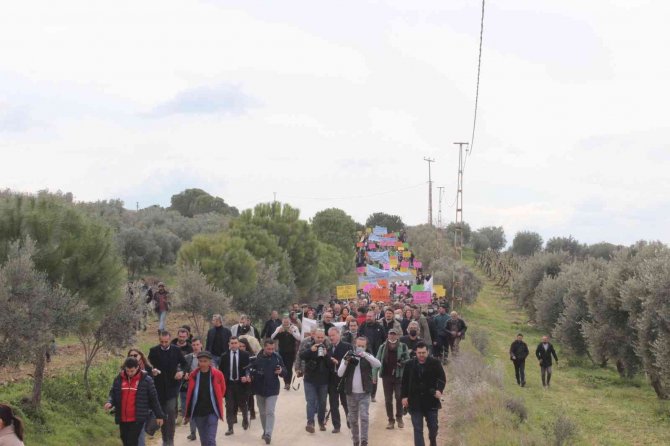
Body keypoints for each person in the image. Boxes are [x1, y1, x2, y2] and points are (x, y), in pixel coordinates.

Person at [105, 357, 166, 446]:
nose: (129, 373)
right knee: (125, 440)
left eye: (132, 371)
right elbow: (113, 392)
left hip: (137, 418)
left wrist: (159, 415)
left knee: (131, 441)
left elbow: (154, 399)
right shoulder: (119, 378)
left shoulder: (146, 380)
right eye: (127, 370)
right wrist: (110, 402)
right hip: (122, 418)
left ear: (138, 368)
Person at [337, 336, 382, 446]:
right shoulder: (348, 354)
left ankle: (364, 441)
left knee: (364, 417)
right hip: (351, 393)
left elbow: (378, 364)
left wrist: (365, 355)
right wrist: (346, 362)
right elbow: (339, 373)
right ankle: (355, 440)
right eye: (358, 346)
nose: (360, 348)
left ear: (366, 347)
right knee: (353, 419)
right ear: (354, 345)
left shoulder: (368, 356)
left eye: (363, 346)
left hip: (364, 393)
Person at [401, 342, 446, 446]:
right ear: (415, 352)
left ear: (428, 352)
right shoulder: (409, 364)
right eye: (419, 353)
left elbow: (442, 379)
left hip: (431, 400)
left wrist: (439, 390)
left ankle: (433, 442)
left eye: (423, 353)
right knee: (417, 429)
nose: (421, 355)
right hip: (415, 401)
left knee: (433, 428)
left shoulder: (435, 363)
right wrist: (404, 397)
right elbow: (404, 382)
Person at [148, 331, 188, 446]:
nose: (164, 344)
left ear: (170, 340)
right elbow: (148, 365)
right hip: (158, 387)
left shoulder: (176, 350)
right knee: (160, 413)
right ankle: (159, 434)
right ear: (159, 340)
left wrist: (181, 372)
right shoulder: (153, 351)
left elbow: (185, 364)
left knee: (170, 412)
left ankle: (169, 440)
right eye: (161, 342)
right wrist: (153, 371)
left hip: (172, 387)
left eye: (166, 342)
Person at [184, 351, 226, 446]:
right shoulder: (193, 375)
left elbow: (222, 389)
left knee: (211, 440)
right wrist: (188, 413)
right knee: (204, 441)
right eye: (200, 361)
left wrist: (217, 399)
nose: (202, 363)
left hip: (212, 411)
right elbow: (190, 395)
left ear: (210, 362)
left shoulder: (217, 374)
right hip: (199, 412)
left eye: (205, 361)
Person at [249, 339, 287, 444]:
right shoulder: (256, 358)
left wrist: (281, 371)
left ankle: (268, 434)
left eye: (273, 349)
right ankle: (265, 430)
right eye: (269, 349)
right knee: (262, 413)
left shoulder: (277, 357)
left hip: (272, 389)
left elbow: (285, 371)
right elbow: (250, 371)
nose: (271, 351)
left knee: (270, 411)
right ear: (264, 347)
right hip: (259, 389)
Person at [373, 328, 410, 429]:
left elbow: (408, 360)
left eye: (394, 334)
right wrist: (374, 375)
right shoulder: (382, 347)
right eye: (390, 334)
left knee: (399, 397)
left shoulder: (403, 346)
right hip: (386, 376)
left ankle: (399, 417)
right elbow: (376, 361)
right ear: (388, 335)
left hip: (399, 376)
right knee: (388, 400)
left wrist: (402, 363)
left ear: (398, 336)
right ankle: (390, 420)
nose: (392, 336)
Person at [299, 329, 332, 433]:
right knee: (311, 402)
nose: (320, 340)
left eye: (322, 337)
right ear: (314, 337)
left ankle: (321, 422)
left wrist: (327, 355)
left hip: (323, 381)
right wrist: (311, 350)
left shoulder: (329, 346)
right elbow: (301, 356)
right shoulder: (308, 345)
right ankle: (310, 423)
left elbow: (331, 364)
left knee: (322, 403)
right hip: (310, 379)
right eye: (318, 337)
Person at [219, 337, 251, 436]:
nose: (233, 345)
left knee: (243, 404)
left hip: (240, 384)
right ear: (229, 344)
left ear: (238, 344)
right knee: (229, 406)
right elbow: (221, 371)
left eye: (235, 343)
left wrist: (247, 376)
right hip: (229, 385)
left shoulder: (245, 355)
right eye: (232, 343)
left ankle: (245, 419)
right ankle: (230, 428)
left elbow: (248, 369)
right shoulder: (224, 356)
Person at [328, 326, 353, 433]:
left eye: (333, 335)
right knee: (333, 404)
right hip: (332, 379)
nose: (331, 338)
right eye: (330, 336)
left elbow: (351, 360)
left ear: (339, 335)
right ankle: (336, 426)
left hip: (343, 379)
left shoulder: (347, 347)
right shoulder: (328, 348)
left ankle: (350, 421)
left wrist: (339, 362)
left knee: (345, 402)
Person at [358, 311, 385, 402]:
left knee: (373, 376)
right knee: (364, 374)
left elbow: (384, 340)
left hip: (376, 354)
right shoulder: (362, 326)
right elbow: (358, 337)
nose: (368, 318)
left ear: (374, 317)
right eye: (367, 316)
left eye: (370, 316)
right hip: (364, 354)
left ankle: (372, 395)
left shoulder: (380, 327)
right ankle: (364, 391)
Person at [271, 316, 301, 390]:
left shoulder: (294, 328)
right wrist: (278, 332)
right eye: (284, 322)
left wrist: (292, 333)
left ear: (290, 321)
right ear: (282, 322)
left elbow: (299, 338)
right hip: (281, 351)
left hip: (291, 351)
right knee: (283, 366)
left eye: (287, 322)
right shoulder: (279, 328)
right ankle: (285, 382)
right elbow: (272, 337)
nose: (286, 324)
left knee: (289, 367)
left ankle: (288, 383)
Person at [182, 338, 203, 441]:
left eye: (197, 344)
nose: (195, 347)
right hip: (190, 387)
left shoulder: (207, 357)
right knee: (192, 410)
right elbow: (181, 369)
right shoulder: (187, 358)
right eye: (193, 345)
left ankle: (203, 432)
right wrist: (184, 375)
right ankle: (193, 433)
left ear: (201, 345)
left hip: (204, 388)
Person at [237, 338, 256, 421]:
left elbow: (253, 367)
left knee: (250, 395)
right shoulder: (235, 354)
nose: (241, 348)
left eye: (243, 346)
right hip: (238, 377)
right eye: (240, 346)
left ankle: (252, 412)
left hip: (248, 378)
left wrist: (249, 376)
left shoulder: (251, 355)